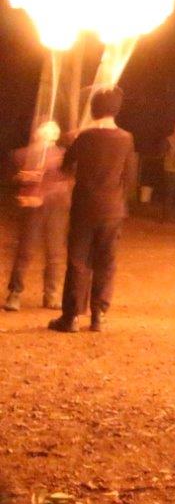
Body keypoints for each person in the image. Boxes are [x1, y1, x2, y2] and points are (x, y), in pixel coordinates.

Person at [48, 87, 136, 334]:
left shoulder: (84, 137)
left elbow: (65, 167)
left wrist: (71, 139)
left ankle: (71, 317)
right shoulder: (126, 139)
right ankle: (98, 315)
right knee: (106, 262)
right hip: (112, 209)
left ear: (94, 109)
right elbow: (130, 177)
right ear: (116, 109)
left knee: (78, 261)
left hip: (84, 207)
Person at [5, 121, 70, 311]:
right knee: (25, 251)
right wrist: (22, 178)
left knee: (54, 253)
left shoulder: (64, 156)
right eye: (45, 131)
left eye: (52, 131)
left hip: (56, 208)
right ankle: (15, 293)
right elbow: (10, 178)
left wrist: (52, 191)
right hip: (31, 208)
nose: (48, 134)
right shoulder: (21, 154)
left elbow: (69, 180)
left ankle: (51, 294)